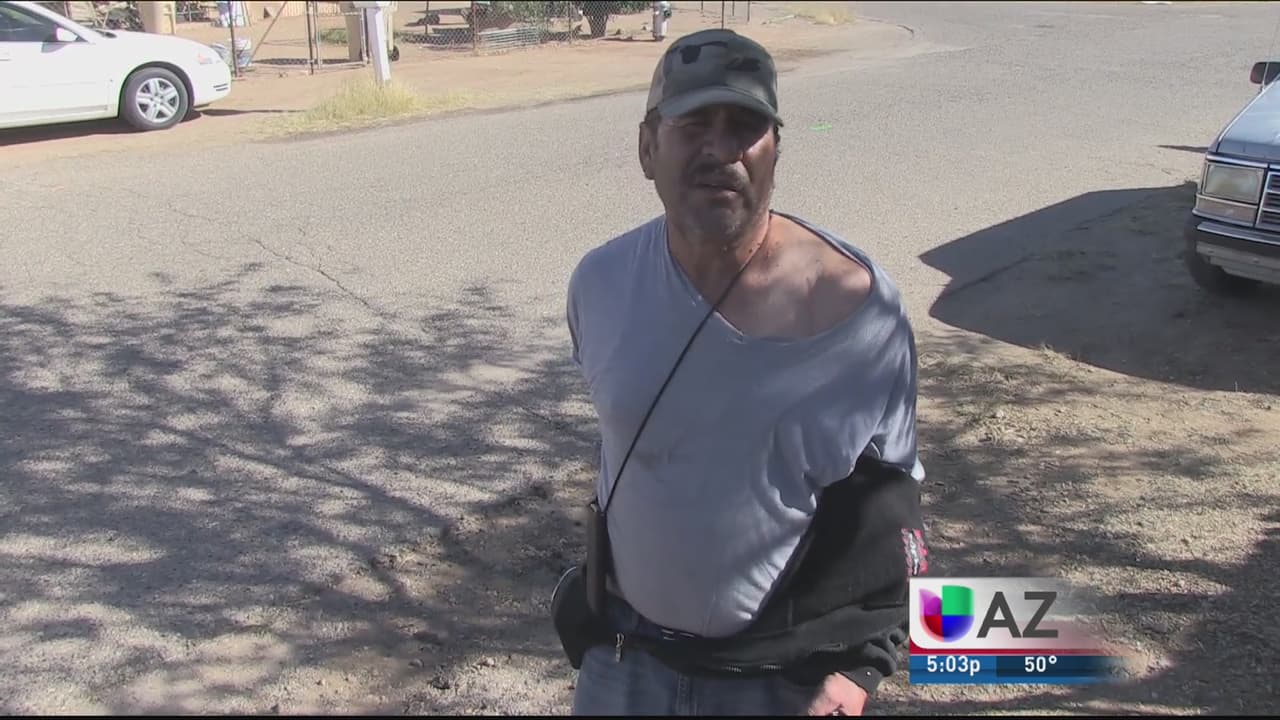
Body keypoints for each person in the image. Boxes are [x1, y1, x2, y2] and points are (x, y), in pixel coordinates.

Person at [556, 28, 927, 716]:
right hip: (625, 662)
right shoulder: (601, 285)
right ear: (647, 147)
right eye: (694, 124)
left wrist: (861, 668)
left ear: (775, 150)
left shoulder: (857, 310)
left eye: (745, 127)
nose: (721, 150)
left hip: (781, 685)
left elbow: (893, 509)